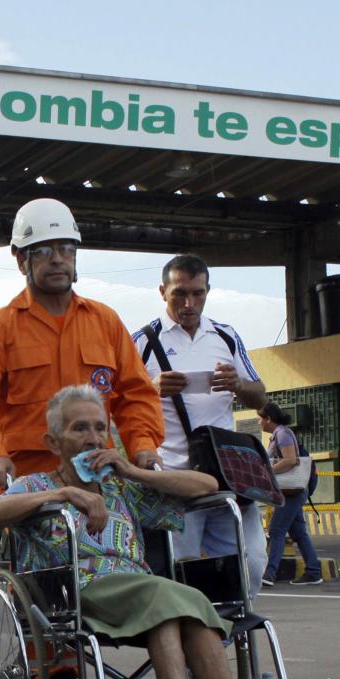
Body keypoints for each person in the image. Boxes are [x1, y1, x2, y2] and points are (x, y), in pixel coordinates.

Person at [0, 386, 295, 679]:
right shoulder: (37, 486)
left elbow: (209, 486)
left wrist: (131, 469)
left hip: (140, 592)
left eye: (100, 428)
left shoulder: (121, 487)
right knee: (167, 597)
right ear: (53, 441)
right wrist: (65, 494)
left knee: (188, 609)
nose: (93, 438)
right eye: (80, 428)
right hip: (78, 592)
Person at [0, 198, 164, 490]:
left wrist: (142, 445)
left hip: (98, 478)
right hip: (29, 487)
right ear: (20, 260)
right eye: (42, 250)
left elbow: (136, 395)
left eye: (66, 248)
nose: (57, 259)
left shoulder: (106, 321)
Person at [135, 254, 270, 598]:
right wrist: (151, 390)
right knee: (183, 573)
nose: (189, 303)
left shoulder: (225, 336)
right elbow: (116, 403)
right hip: (175, 481)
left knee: (250, 564)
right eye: (179, 294)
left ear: (208, 291)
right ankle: (197, 646)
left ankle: (224, 640)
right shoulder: (143, 342)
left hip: (227, 478)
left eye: (198, 294)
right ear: (162, 291)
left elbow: (260, 396)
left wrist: (238, 384)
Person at [259, 402, 323, 586]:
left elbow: (290, 460)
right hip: (290, 491)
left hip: (292, 492)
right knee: (298, 532)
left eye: (260, 419)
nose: (259, 423)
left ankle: (269, 574)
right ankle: (313, 571)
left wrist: (268, 471)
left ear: (268, 418)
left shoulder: (283, 433)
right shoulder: (277, 435)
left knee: (277, 530)